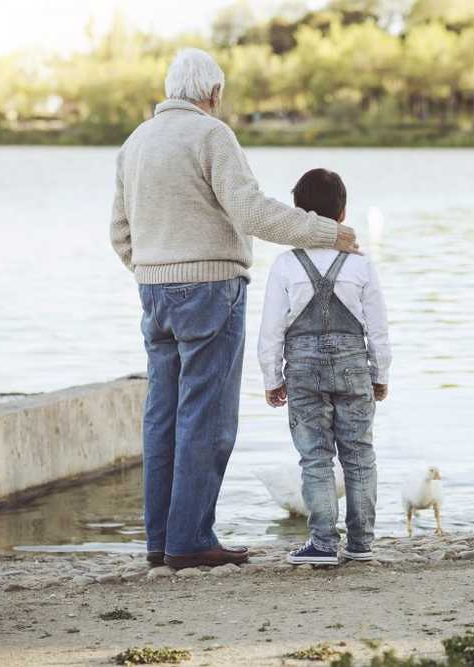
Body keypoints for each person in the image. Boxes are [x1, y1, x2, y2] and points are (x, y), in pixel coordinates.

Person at [109, 49, 359, 570]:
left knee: (162, 415)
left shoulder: (135, 142)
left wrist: (152, 269)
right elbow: (251, 212)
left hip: (153, 292)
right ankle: (191, 540)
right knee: (208, 416)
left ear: (171, 88)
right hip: (210, 289)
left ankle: (160, 541)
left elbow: (119, 231)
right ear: (214, 94)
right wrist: (326, 232)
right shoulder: (210, 135)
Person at [258, 168, 391, 565]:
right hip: (353, 365)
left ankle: (321, 543)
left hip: (302, 368)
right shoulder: (361, 265)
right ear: (343, 214)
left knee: (315, 456)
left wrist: (272, 377)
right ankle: (362, 542)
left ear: (299, 215)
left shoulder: (285, 265)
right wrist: (380, 375)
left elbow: (271, 330)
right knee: (359, 453)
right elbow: (378, 329)